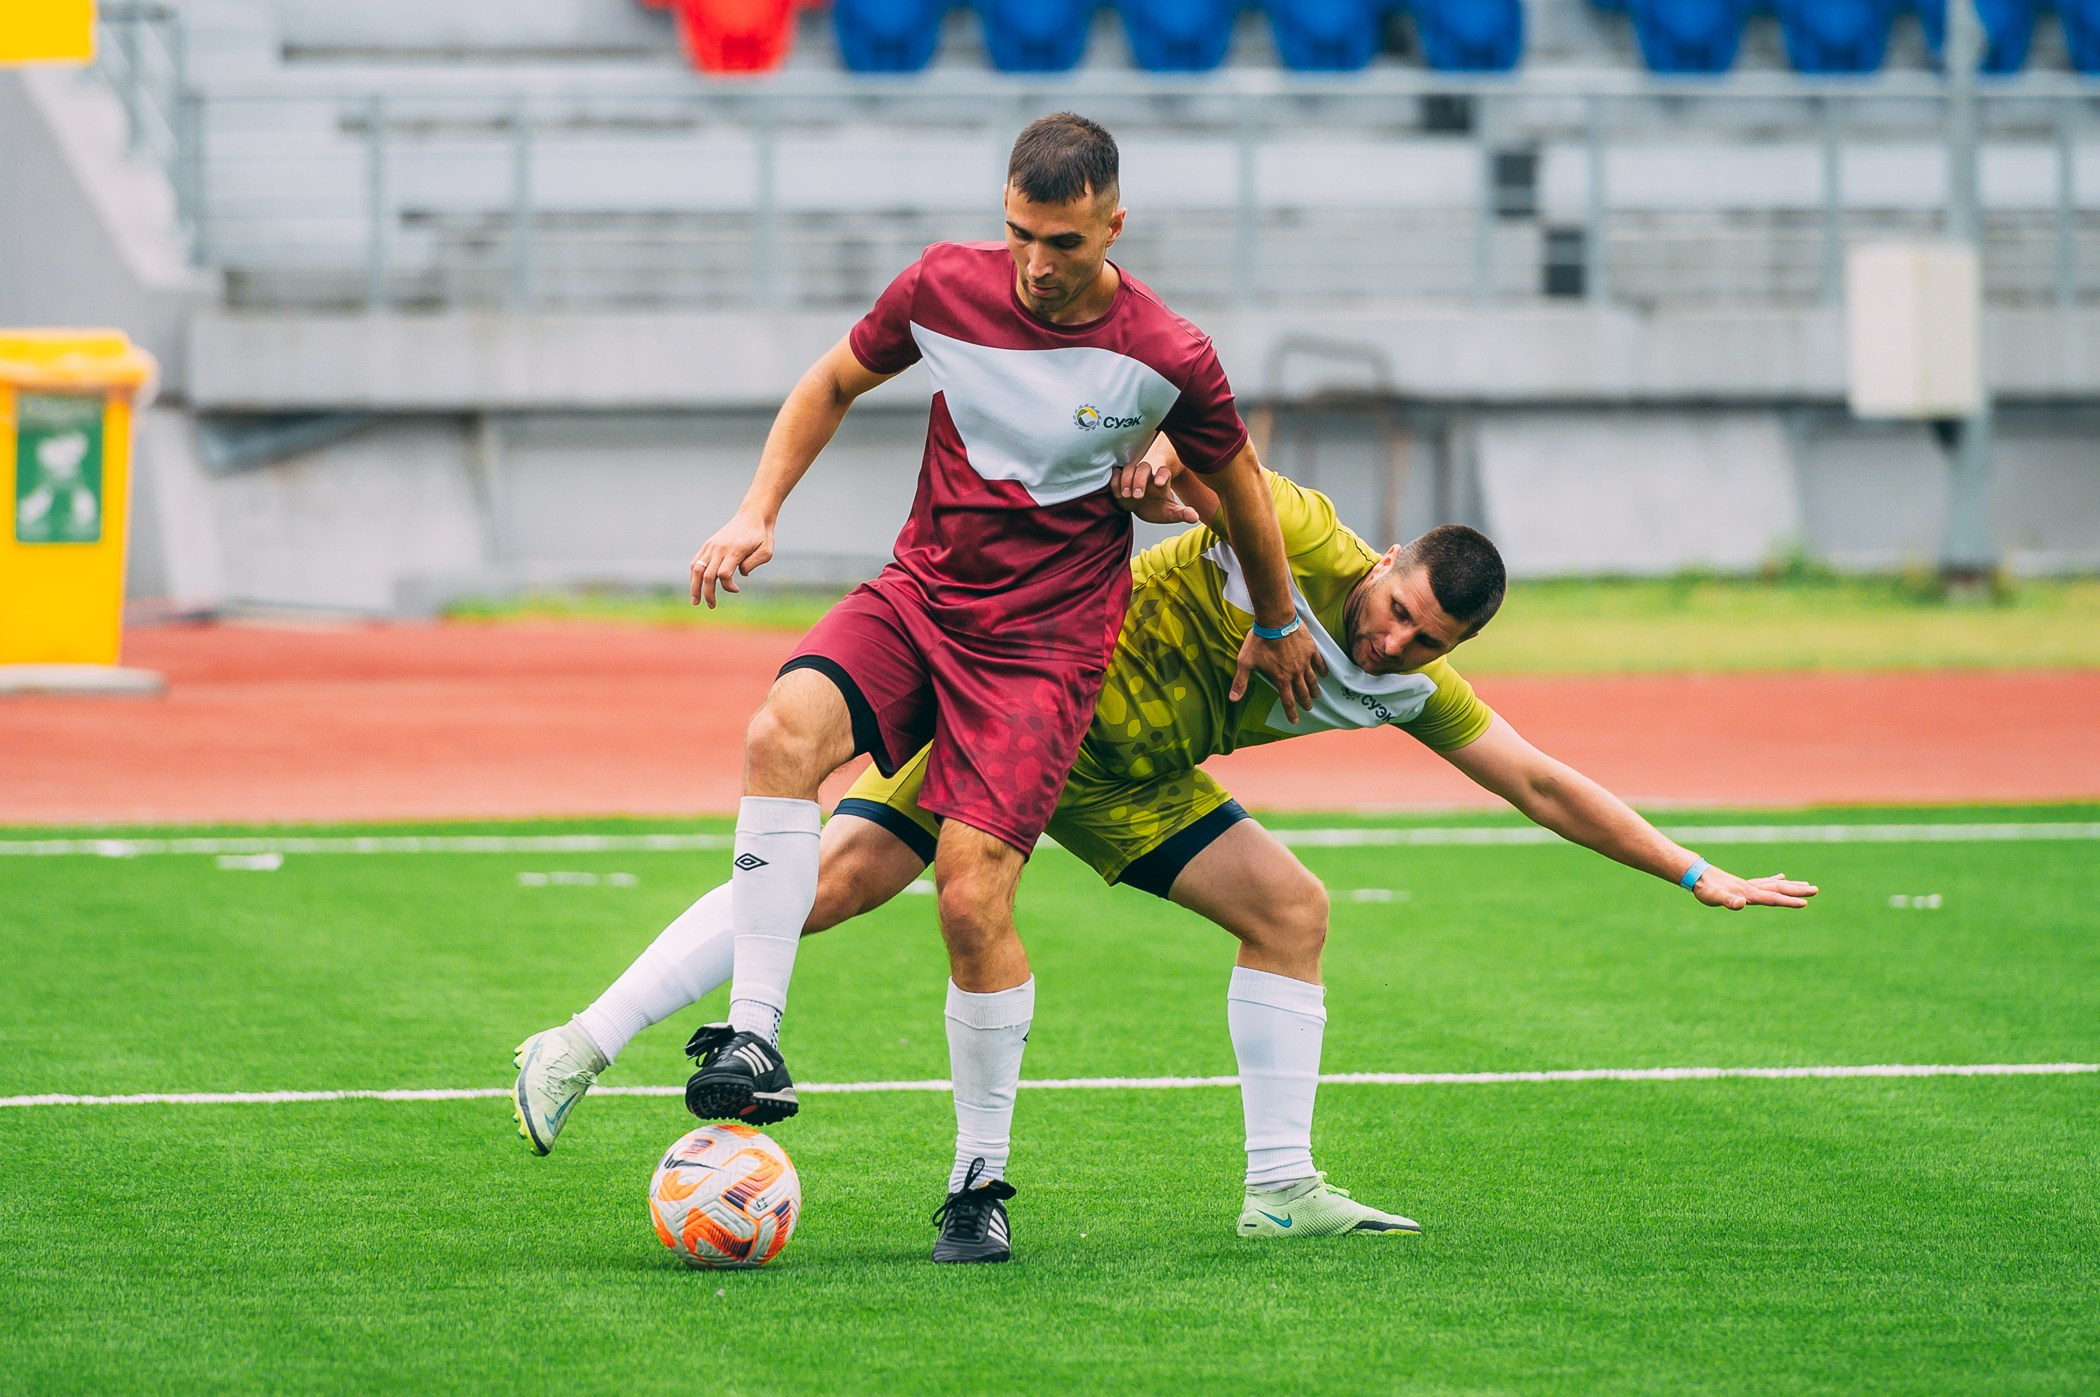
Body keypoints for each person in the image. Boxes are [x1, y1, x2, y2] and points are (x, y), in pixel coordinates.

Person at [515, 452, 1819, 1258]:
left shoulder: (1401, 689)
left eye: (1424, 641)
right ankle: (578, 1042)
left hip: (1135, 785)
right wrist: (1151, 472)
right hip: (1028, 713)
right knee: (840, 883)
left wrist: (1696, 872)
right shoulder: (1306, 538)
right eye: (1395, 609)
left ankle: (1281, 1188)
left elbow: (1538, 779)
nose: (1391, 642)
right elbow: (1210, 470)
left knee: (1292, 910)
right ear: (1391, 557)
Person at [513, 113, 1323, 1265]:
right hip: (922, 595)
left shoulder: (1169, 356)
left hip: (1044, 648)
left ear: (1114, 226)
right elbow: (833, 379)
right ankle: (750, 1038)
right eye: (1020, 235)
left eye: (1065, 243)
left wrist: (1279, 612)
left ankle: (977, 1178)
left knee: (966, 894)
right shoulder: (943, 286)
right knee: (780, 731)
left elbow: (1237, 485)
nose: (1038, 265)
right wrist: (758, 507)